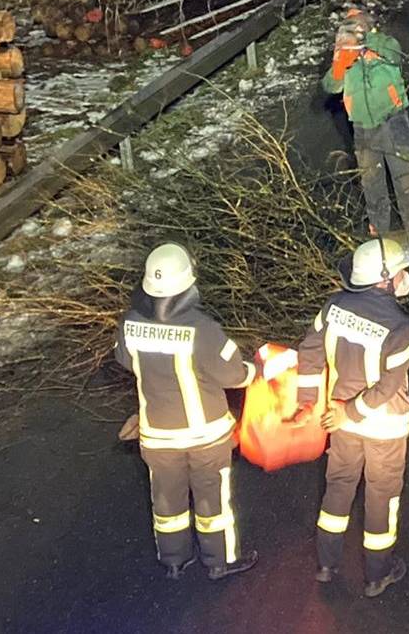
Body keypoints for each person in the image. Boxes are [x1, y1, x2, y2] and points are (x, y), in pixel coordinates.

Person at [115, 243, 259, 580]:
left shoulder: (129, 323)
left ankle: (174, 560)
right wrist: (257, 371)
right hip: (205, 438)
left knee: (167, 501)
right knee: (212, 501)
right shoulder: (202, 328)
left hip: (158, 437)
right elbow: (234, 375)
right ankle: (220, 561)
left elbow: (124, 359)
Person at [296, 237, 409, 597]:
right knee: (382, 497)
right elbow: (386, 388)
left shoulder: (333, 307)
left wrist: (308, 403)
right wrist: (350, 413)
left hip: (339, 422)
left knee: (338, 487)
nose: (405, 277)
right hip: (384, 427)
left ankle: (326, 564)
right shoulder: (401, 328)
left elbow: (309, 353)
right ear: (385, 278)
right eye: (401, 271)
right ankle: (378, 574)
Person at [322, 5, 409, 241]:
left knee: (405, 176)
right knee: (371, 182)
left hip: (393, 120)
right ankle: (379, 233)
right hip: (363, 127)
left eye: (356, 28)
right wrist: (340, 64)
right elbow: (330, 86)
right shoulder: (345, 54)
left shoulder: (383, 44)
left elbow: (396, 54)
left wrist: (366, 41)